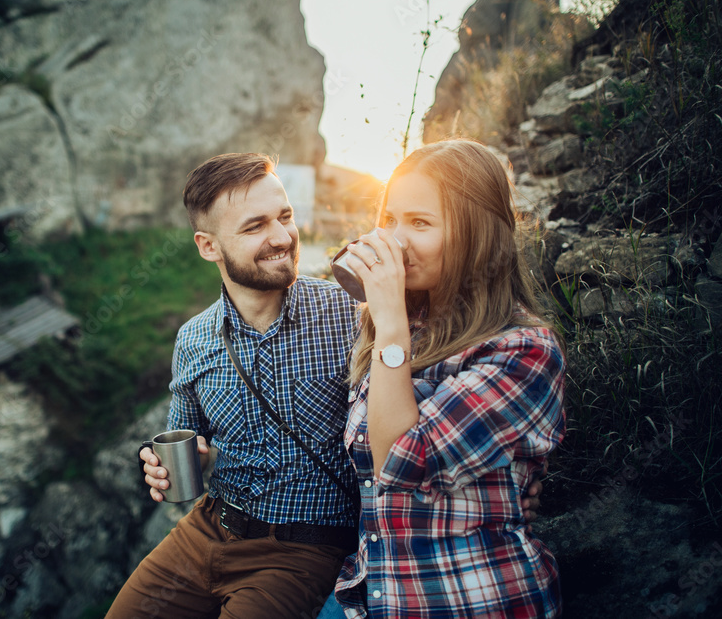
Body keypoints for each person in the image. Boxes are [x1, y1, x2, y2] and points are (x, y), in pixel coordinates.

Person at [105, 151, 545, 619]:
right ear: (208, 246)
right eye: (255, 227)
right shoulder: (193, 339)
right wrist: (172, 462)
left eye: (285, 216)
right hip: (209, 527)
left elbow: (432, 403)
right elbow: (186, 436)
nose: (281, 237)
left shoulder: (354, 315)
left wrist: (514, 483)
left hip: (302, 547)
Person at [320, 139, 565, 618]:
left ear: (476, 235)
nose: (397, 239)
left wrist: (389, 325)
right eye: (390, 219)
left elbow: (398, 464)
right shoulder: (403, 327)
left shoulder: (524, 350)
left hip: (463, 596)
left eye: (420, 223)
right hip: (372, 589)